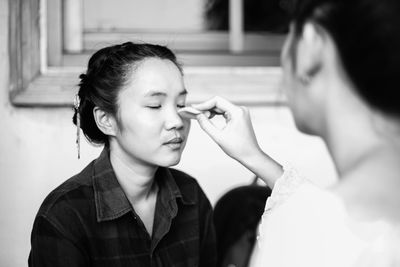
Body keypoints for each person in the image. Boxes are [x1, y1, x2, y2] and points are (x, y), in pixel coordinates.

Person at [190, 0, 400, 266]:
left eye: (288, 35)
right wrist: (254, 156)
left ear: (311, 46)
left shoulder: (301, 228)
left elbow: (323, 224)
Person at [28, 42, 216, 267]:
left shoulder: (191, 195)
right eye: (155, 105)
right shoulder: (64, 215)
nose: (177, 121)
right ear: (107, 120)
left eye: (181, 104)